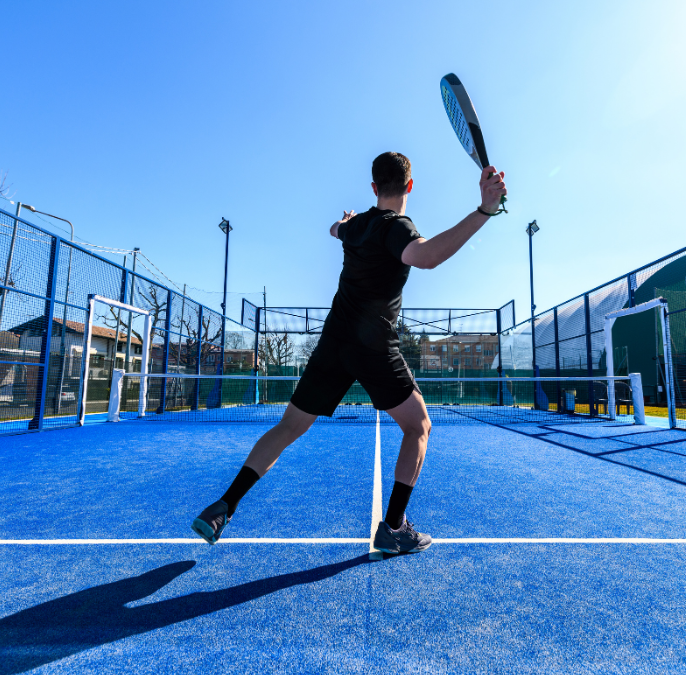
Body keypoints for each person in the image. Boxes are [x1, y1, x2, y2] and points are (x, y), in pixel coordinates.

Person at [192, 152, 507, 554]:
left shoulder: (355, 226)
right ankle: (394, 528)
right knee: (419, 427)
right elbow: (425, 257)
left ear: (375, 187)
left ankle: (225, 505)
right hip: (373, 346)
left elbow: (333, 228)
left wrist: (345, 220)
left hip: (334, 343)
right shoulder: (397, 228)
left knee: (288, 426)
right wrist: (484, 210)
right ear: (409, 186)